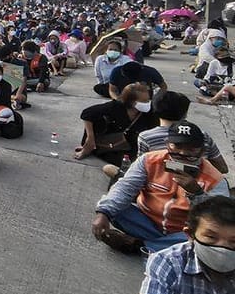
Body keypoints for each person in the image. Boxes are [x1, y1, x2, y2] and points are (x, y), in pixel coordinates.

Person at [91, 121, 228, 254]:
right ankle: (165, 246)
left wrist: (196, 193)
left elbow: (218, 218)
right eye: (177, 146)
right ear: (168, 145)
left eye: (191, 149)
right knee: (113, 207)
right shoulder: (149, 160)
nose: (182, 153)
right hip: (146, 221)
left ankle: (140, 246)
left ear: (202, 150)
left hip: (183, 231)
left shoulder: (215, 178)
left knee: (206, 238)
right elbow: (125, 187)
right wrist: (103, 213)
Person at [137, 196, 235, 294]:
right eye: (211, 237)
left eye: (233, 241)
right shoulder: (168, 262)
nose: (223, 248)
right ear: (190, 235)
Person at [134, 90, 229, 175]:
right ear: (185, 113)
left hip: (159, 188)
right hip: (198, 185)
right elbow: (223, 168)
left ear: (155, 110)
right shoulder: (202, 135)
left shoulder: (146, 137)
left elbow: (142, 168)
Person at [74, 82, 158, 165]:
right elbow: (87, 113)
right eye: (144, 101)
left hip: (130, 145)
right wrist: (90, 138)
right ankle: (91, 148)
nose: (148, 103)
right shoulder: (115, 107)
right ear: (132, 102)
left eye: (148, 100)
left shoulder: (148, 113)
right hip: (111, 141)